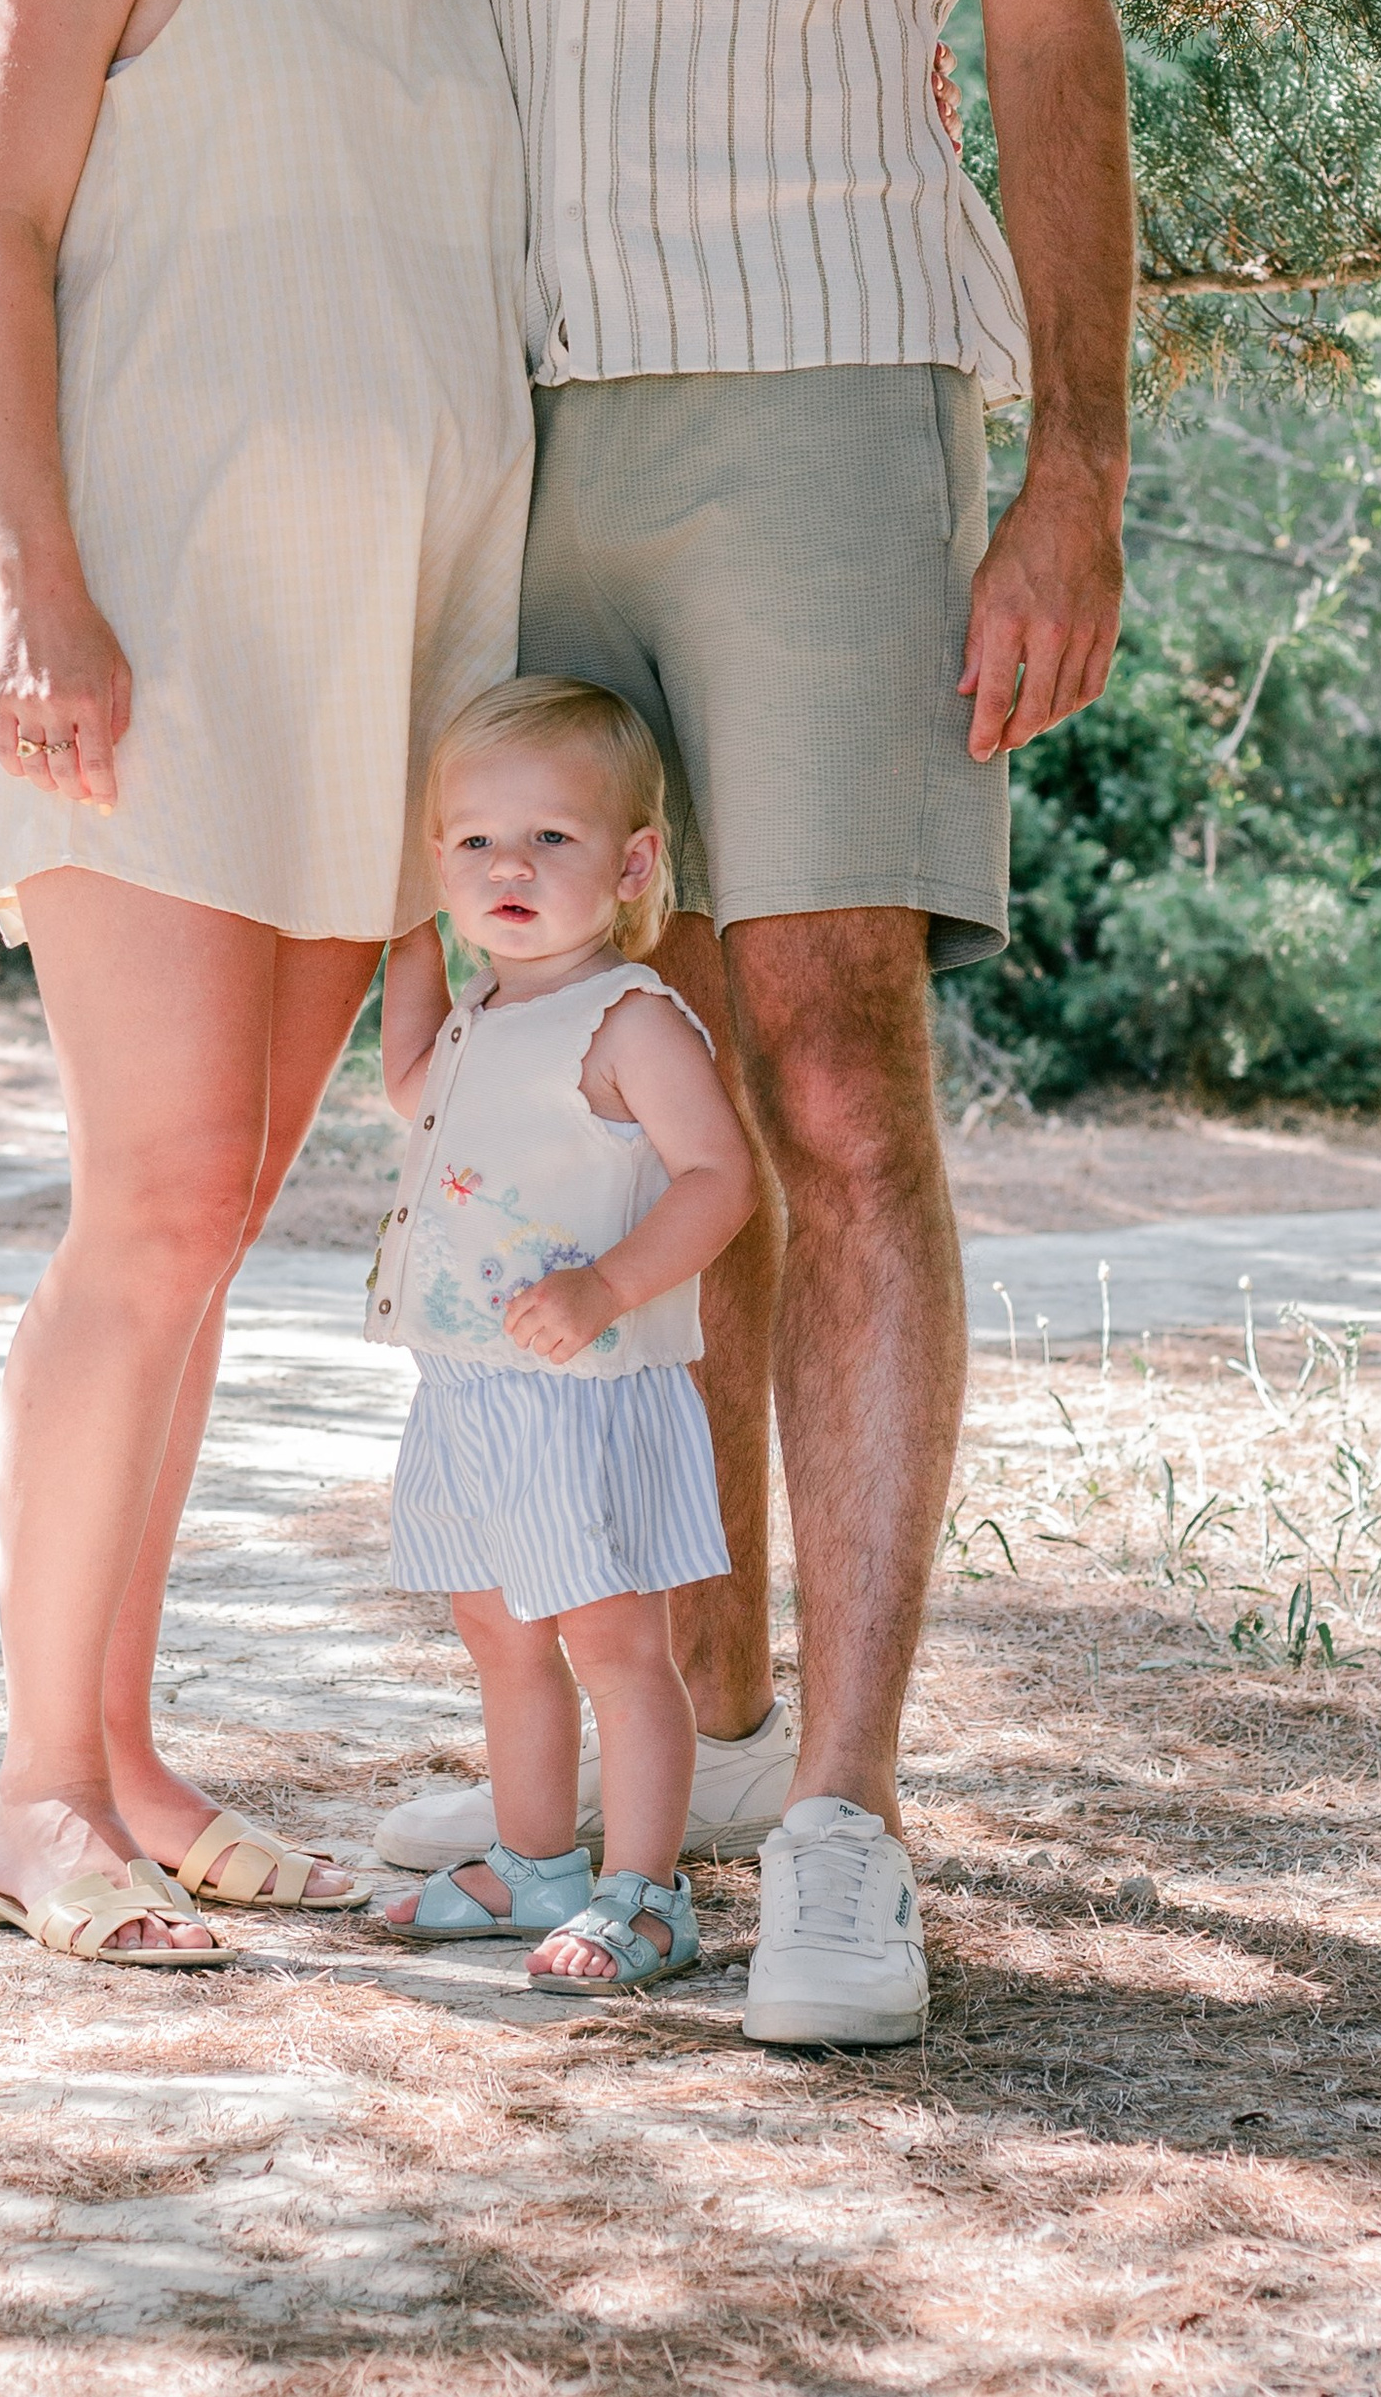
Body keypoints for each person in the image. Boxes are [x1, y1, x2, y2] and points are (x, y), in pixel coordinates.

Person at [372, 0, 1142, 2044]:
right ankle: (636, 1782)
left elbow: (1052, 28)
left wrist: (1076, 458)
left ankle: (841, 1818)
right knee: (565, 1100)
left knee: (831, 1087)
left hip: (830, 391)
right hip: (518, 424)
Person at [0, 0, 596, 1965]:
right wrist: (38, 578)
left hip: (377, 693)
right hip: (142, 625)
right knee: (151, 1202)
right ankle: (26, 1788)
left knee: (210, 1231)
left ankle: (117, 1745)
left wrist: (454, 810)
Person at [364, 675, 758, 1990]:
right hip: (473, 1389)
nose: (507, 864)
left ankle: (647, 1894)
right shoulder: (484, 1015)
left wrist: (609, 1283)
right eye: (472, 840)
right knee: (499, 1631)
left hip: (585, 1389)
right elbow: (411, 1086)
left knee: (613, 1645)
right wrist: (406, 933)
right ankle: (534, 1860)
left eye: (551, 837)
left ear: (633, 861)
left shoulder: (628, 1016)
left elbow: (718, 1177)